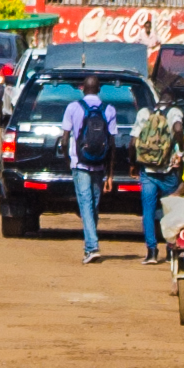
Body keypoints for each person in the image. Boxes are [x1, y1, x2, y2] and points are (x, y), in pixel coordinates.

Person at [61, 76, 118, 265]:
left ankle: (92, 247)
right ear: (99, 89)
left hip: (80, 163)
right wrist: (110, 173)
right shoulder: (109, 110)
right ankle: (90, 243)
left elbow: (64, 139)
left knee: (85, 204)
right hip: (100, 164)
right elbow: (112, 144)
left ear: (82, 88)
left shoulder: (73, 108)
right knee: (93, 204)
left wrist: (69, 159)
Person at [132, 97, 184, 266]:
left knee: (148, 211)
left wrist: (133, 163)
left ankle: (152, 252)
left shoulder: (144, 113)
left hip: (147, 171)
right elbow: (178, 129)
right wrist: (181, 152)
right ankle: (170, 250)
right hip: (168, 170)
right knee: (170, 211)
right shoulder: (174, 112)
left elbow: (133, 143)